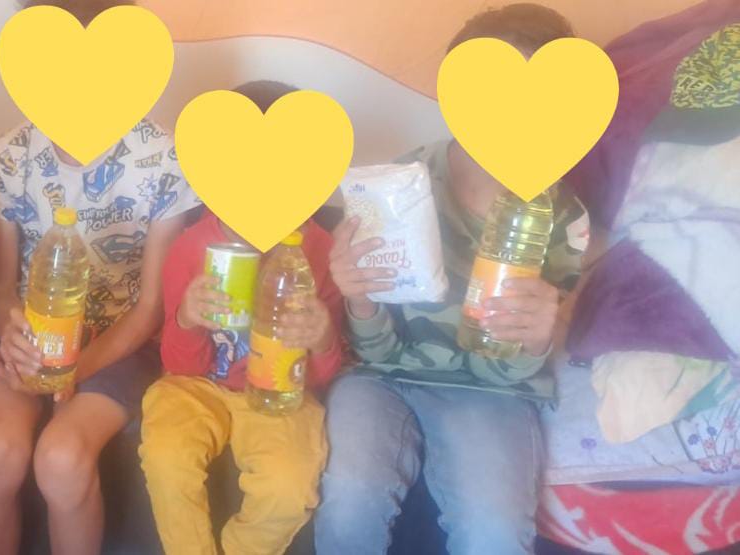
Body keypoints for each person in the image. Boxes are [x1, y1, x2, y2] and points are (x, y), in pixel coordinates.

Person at [312, 5, 592, 554]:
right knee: (350, 499)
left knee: (494, 532)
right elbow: (373, 349)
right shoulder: (398, 185)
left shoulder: (563, 218)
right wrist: (360, 300)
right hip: (379, 377)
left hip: (491, 392)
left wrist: (537, 337)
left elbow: (508, 369)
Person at [0, 2, 201, 553]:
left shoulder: (163, 160)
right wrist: (17, 338)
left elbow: (150, 306)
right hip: (26, 335)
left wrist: (76, 369)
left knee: (63, 457)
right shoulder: (9, 158)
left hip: (117, 341)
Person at [141, 79, 347, 555]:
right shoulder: (190, 247)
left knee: (289, 485)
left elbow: (321, 375)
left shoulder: (319, 250)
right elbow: (178, 365)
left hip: (280, 392)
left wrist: (321, 340)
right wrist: (188, 319)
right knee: (166, 456)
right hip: (194, 387)